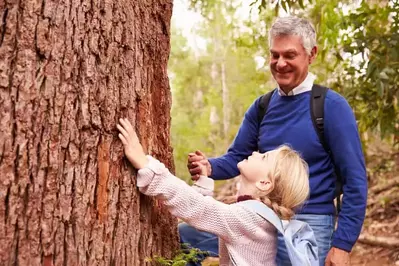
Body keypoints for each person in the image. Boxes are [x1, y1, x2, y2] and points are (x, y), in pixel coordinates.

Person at [184, 16, 368, 266]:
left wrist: (342, 245)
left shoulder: (331, 107)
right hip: (261, 218)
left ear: (311, 54)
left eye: (289, 55)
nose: (280, 64)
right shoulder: (262, 107)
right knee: (186, 235)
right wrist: (209, 167)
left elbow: (355, 180)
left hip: (311, 223)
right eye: (274, 55)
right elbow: (237, 157)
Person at [116, 118, 311, 266]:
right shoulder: (259, 216)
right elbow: (208, 217)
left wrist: (144, 163)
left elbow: (198, 208)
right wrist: (203, 181)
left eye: (264, 157)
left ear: (264, 183)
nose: (256, 152)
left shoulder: (250, 218)